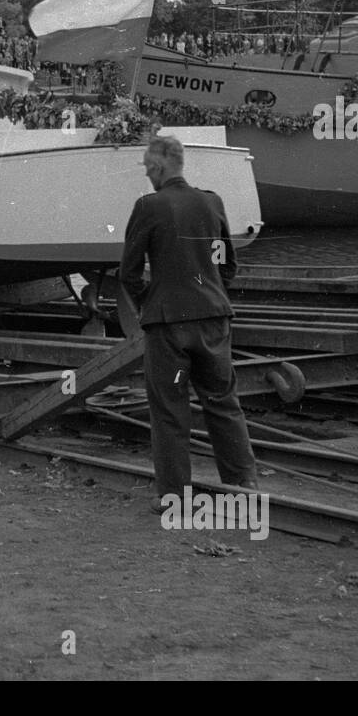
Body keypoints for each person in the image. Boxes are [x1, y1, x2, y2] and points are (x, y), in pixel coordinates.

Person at [119, 134, 260, 512]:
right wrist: (209, 292)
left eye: (148, 166)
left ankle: (174, 498)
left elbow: (129, 273)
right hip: (214, 319)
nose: (147, 173)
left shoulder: (148, 207)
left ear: (159, 166)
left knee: (169, 411)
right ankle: (243, 485)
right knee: (223, 402)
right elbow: (228, 264)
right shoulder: (211, 201)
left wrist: (152, 302)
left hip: (168, 324)